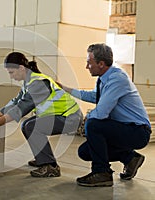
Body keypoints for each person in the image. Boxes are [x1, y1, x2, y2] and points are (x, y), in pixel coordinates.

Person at [0, 52, 83, 178]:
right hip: (60, 115)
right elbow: (15, 102)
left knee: (32, 127)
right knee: (27, 125)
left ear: (21, 68)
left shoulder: (39, 83)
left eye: (11, 72)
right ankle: (43, 159)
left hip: (70, 118)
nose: (11, 76)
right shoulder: (29, 81)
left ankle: (50, 166)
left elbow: (19, 110)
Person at [56, 43, 152, 187]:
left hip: (138, 131)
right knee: (85, 152)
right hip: (123, 128)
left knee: (94, 124)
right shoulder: (104, 79)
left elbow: (101, 113)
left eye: (89, 62)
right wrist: (65, 89)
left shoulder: (117, 79)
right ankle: (130, 158)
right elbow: (95, 96)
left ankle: (102, 173)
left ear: (101, 64)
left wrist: (88, 118)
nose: (87, 67)